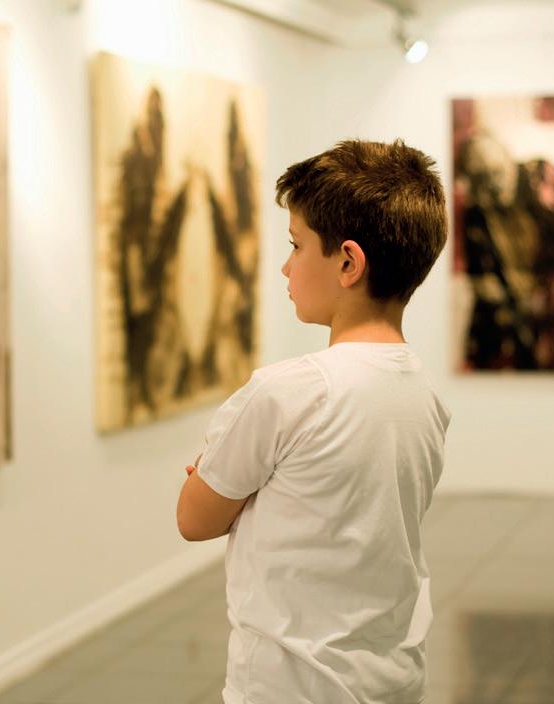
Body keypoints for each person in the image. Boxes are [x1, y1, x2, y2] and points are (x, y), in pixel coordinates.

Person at [176, 139, 452, 703]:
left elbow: (194, 517)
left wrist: (214, 471)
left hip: (288, 687)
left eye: (296, 245)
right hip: (390, 680)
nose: (285, 265)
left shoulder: (287, 392)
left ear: (348, 262)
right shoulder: (423, 392)